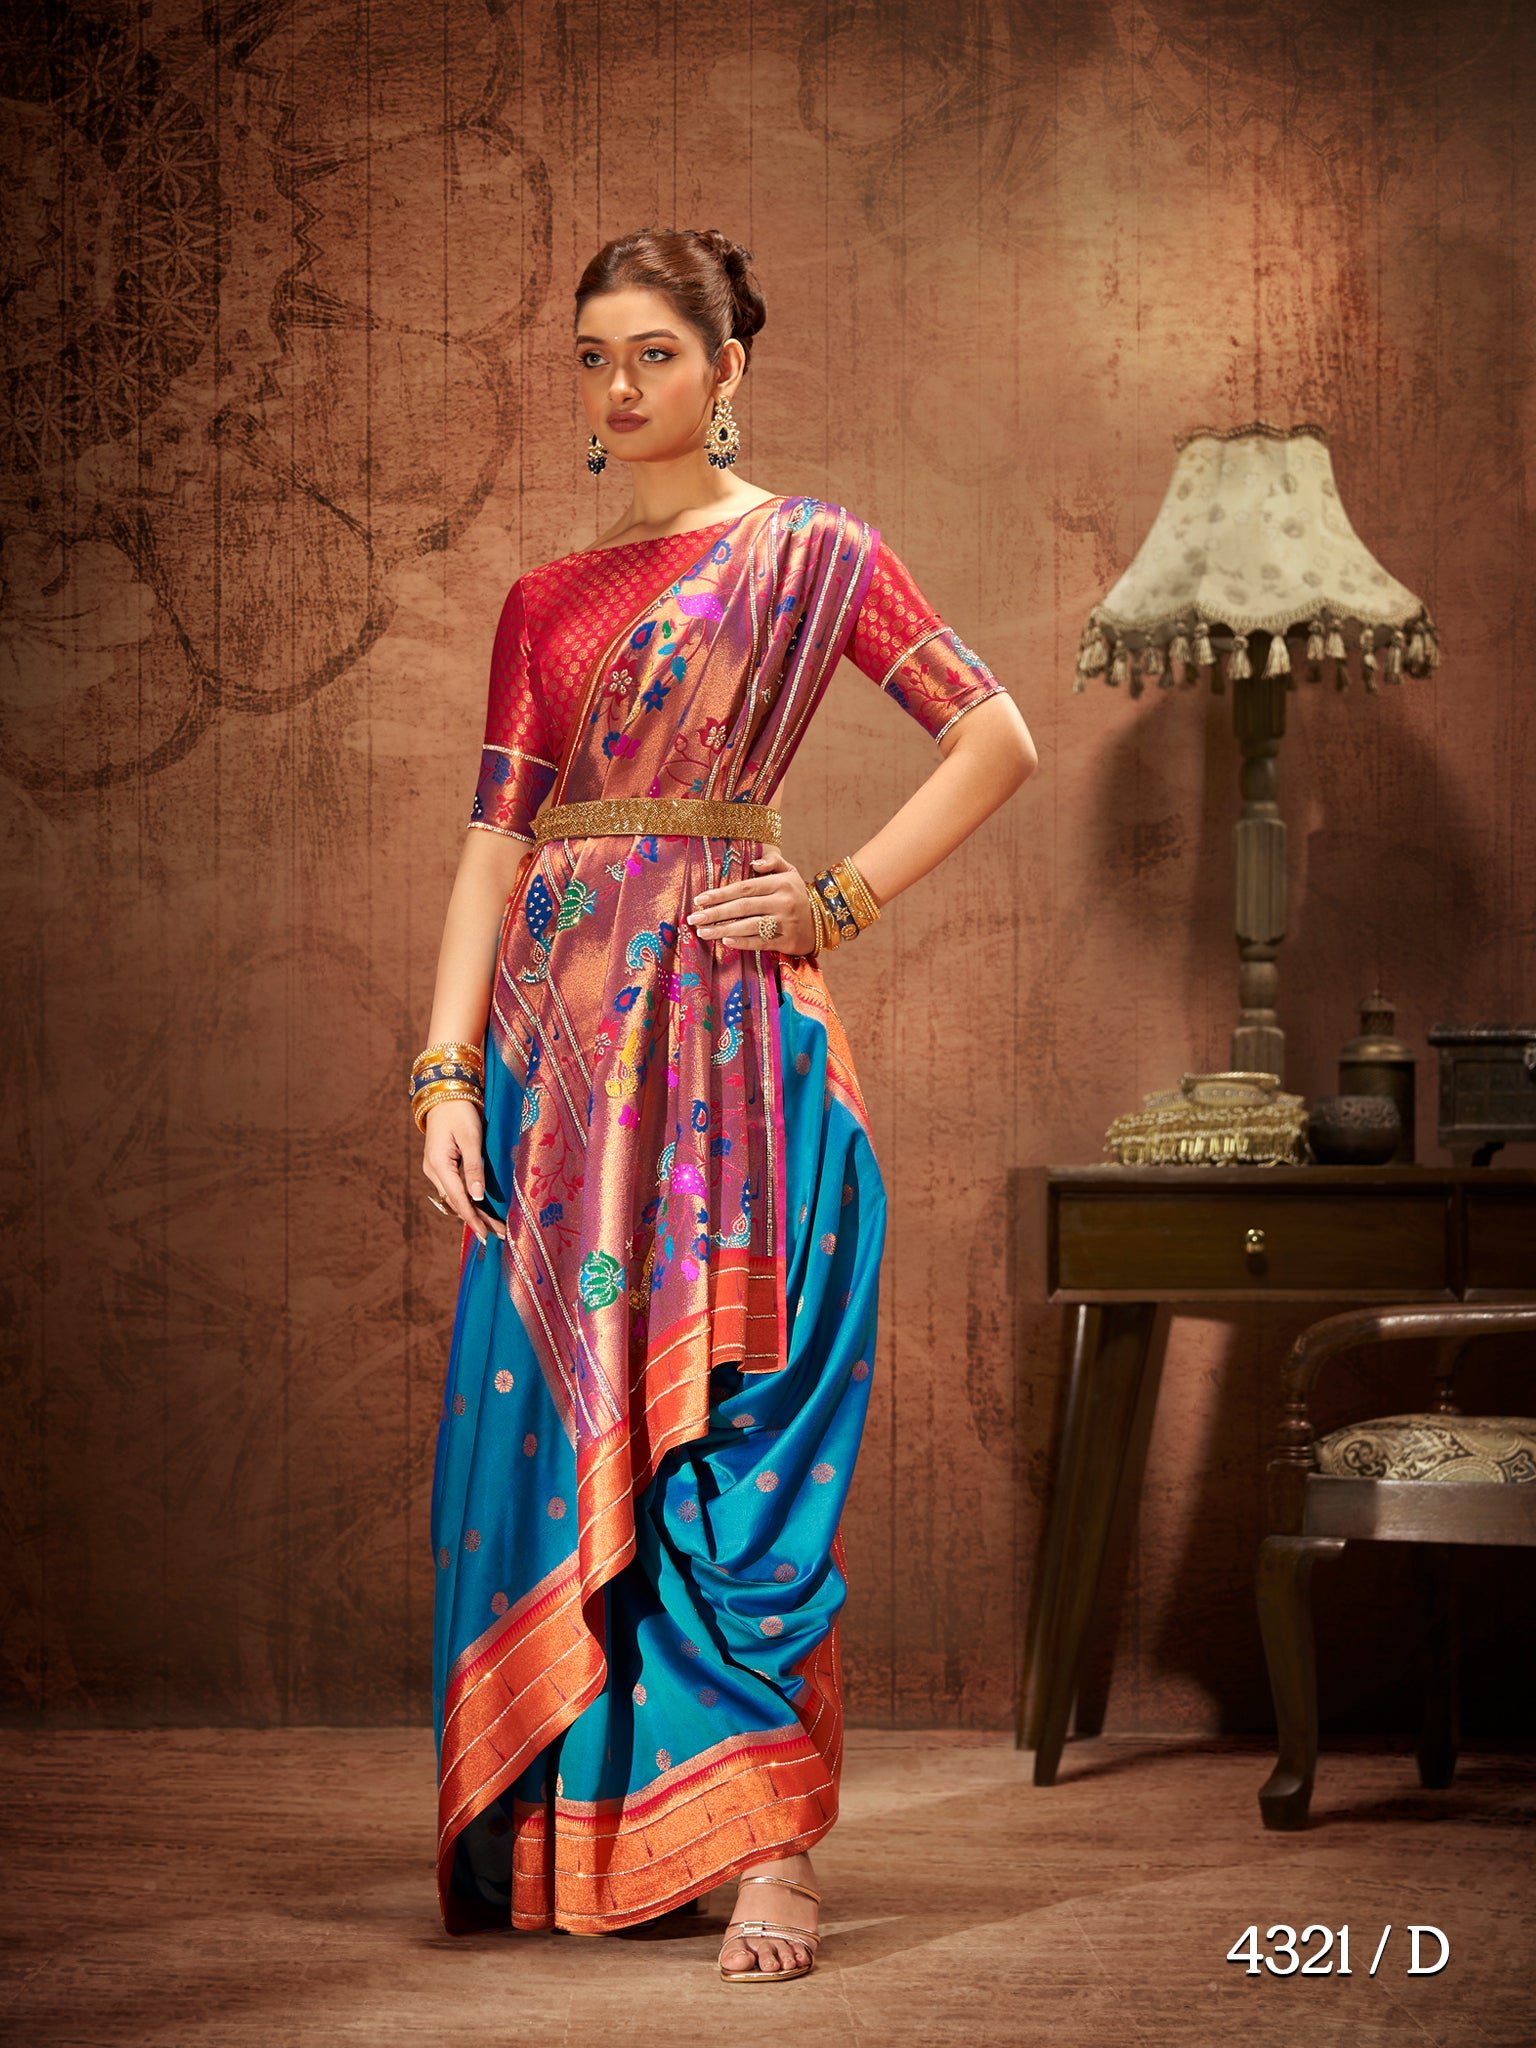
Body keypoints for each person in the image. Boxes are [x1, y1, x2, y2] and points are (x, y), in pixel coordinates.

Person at [414, 226, 1038, 1983]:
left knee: (737, 1435)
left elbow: (995, 737)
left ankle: (769, 1851)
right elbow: (495, 846)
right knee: (572, 1429)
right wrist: (444, 1070)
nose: (620, 387)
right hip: (559, 1081)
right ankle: (612, 1835)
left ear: (727, 366)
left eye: (656, 354)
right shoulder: (544, 600)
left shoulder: (814, 552)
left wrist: (834, 898)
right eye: (593, 357)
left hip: (735, 1061)